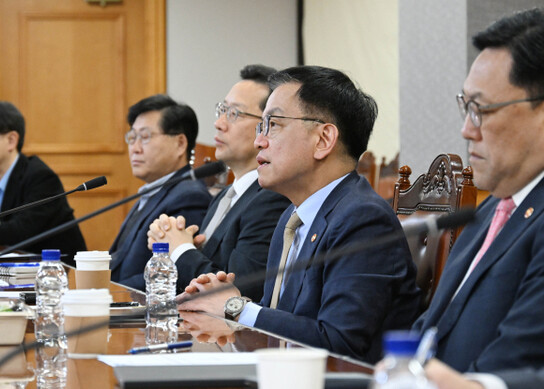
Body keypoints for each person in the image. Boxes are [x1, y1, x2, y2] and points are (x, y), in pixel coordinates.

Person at [177, 66, 421, 362]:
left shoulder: (363, 219)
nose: (259, 141)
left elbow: (339, 342)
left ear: (323, 140)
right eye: (261, 127)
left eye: (274, 125)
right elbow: (277, 319)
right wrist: (228, 302)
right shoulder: (292, 220)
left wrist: (235, 307)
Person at [412, 7, 544, 373]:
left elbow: (515, 361)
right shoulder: (486, 212)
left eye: (481, 109)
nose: (467, 130)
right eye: (465, 107)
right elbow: (429, 332)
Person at [147, 65, 290, 302]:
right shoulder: (224, 197)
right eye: (222, 110)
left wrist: (181, 251)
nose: (219, 123)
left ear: (267, 126)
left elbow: (238, 295)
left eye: (234, 113)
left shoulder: (272, 199)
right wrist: (171, 243)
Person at [0, 101, 86, 262]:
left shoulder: (40, 177)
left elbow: (19, 230)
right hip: (3, 273)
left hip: (56, 273)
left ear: (11, 140)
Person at [109, 94, 211, 291]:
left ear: (180, 143)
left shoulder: (189, 197)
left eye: (145, 137)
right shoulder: (153, 191)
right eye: (132, 137)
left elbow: (170, 273)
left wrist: (108, 291)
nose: (134, 149)